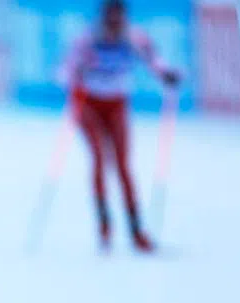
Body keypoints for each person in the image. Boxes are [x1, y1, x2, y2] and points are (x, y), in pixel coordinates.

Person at [60, 0, 180, 252]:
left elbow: (155, 61)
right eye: (111, 17)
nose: (115, 23)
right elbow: (63, 72)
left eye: (119, 17)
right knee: (99, 159)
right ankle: (104, 222)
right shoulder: (89, 39)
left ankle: (136, 230)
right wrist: (76, 73)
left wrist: (167, 75)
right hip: (89, 105)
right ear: (104, 17)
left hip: (116, 104)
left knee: (123, 165)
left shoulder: (133, 36)